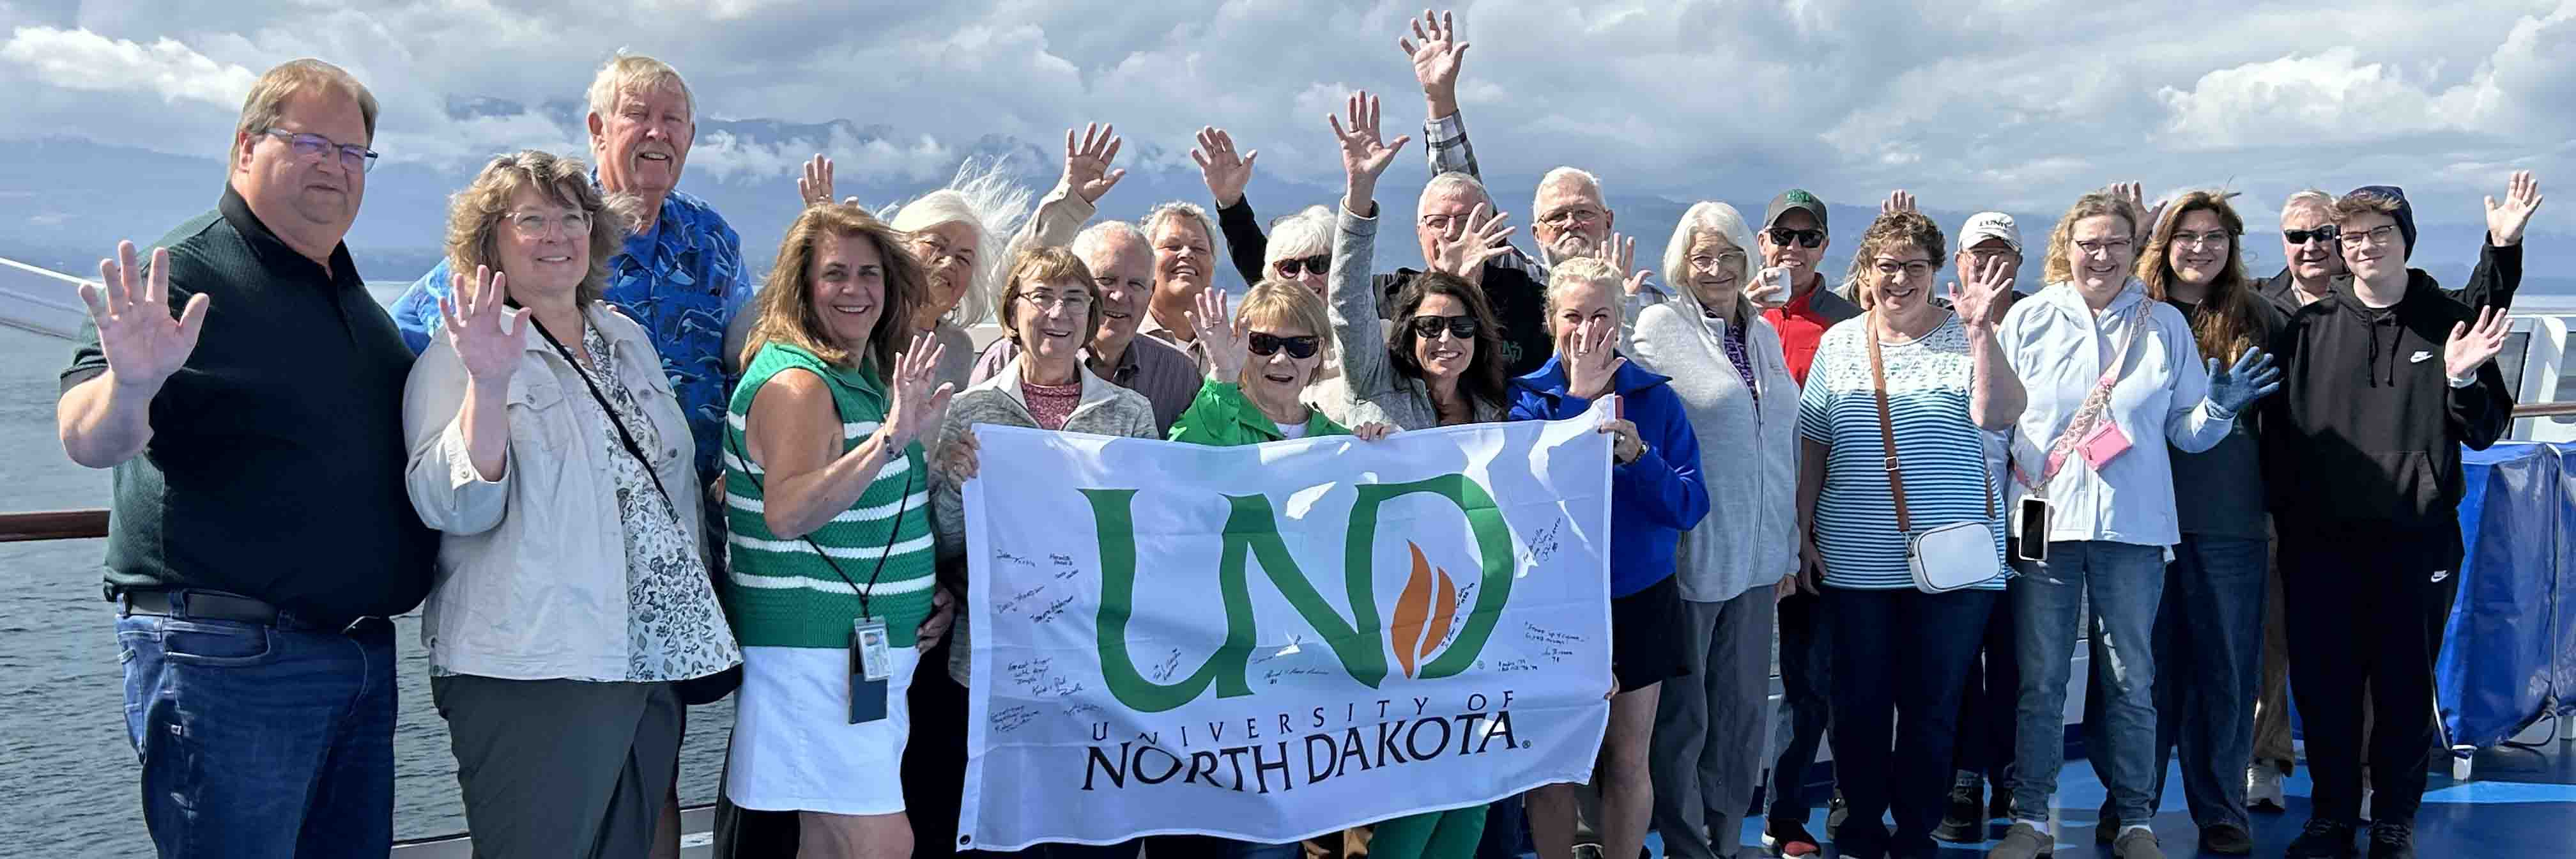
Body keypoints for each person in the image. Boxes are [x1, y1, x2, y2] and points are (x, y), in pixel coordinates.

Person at [59, 58, 437, 856]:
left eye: (352, 153)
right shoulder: (184, 272)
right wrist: (131, 383)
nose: (335, 166)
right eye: (311, 143)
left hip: (356, 659)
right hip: (231, 664)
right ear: (244, 150)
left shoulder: (348, 296)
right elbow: (89, 435)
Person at [401, 150, 740, 858]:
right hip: (534, 666)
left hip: (646, 657)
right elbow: (452, 507)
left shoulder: (627, 340)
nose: (557, 235)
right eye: (531, 219)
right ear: (488, 238)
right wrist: (488, 389)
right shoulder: (461, 353)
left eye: (572, 217)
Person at [1986, 190, 2278, 859]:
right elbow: (1996, 427)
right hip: (2045, 526)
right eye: (2090, 242)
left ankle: (2138, 822)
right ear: (2068, 247)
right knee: (2041, 681)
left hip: (2135, 533)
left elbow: (2187, 433)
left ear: (2134, 250)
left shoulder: (2164, 327)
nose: (2103, 255)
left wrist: (2223, 410)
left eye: (2118, 243)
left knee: (2133, 681)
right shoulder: (2028, 321)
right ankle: (2031, 818)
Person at [2267, 188, 2515, 859]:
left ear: (2405, 238)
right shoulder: (2306, 327)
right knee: (2324, 689)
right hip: (2320, 545)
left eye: (2380, 233)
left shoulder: (2450, 322)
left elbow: (2490, 430)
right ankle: (2330, 818)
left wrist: (2462, 382)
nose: (2365, 247)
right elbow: (2276, 442)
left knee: (2404, 689)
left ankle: (2395, 820)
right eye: (2352, 238)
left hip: (2417, 541)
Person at [392, 52, 753, 486]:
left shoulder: (713, 238)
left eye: (673, 119)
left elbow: (741, 353)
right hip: (574, 510)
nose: (658, 132)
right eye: (638, 115)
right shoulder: (551, 234)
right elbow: (417, 325)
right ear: (598, 130)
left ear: (690, 137)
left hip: (692, 505)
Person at [721, 203, 959, 858]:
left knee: (830, 837)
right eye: (835, 275)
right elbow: (790, 512)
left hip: (848, 652)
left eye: (870, 274)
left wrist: (920, 594)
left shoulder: (853, 378)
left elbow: (871, 511)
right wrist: (890, 439)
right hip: (816, 656)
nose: (855, 290)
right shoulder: (799, 384)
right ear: (802, 287)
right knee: (880, 841)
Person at [1791, 208, 2022, 859]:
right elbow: (1814, 445)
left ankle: (1917, 828)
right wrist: (1801, 535)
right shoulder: (1842, 343)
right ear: (1867, 272)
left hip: (1957, 560)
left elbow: (1999, 412)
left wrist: (1981, 333)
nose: (1900, 279)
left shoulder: (1968, 334)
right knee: (1857, 700)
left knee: (1934, 702)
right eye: (1887, 267)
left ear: (1936, 272)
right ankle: (1863, 825)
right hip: (1856, 558)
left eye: (1914, 268)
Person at [927, 247, 1160, 859]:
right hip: (992, 665)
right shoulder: (969, 412)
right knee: (1000, 834)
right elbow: (946, 544)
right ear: (1012, 312)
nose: (1058, 313)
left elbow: (1156, 537)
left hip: (1098, 668)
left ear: (1091, 316)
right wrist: (953, 485)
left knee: (1095, 834)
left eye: (1075, 299)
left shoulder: (1130, 414)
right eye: (1041, 297)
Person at [2080, 191, 2286, 857]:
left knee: (2226, 671)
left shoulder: (2261, 317)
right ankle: (2128, 803)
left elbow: (2290, 423)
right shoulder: (2129, 313)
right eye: (2186, 235)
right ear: (2162, 245)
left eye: (2215, 235)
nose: (2201, 248)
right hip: (2138, 521)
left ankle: (2222, 808)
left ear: (2233, 246)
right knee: (2130, 671)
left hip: (2228, 521)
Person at [1604, 201, 1798, 859]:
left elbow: (1787, 449)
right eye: (1700, 257)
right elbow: (1612, 394)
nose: (1714, 269)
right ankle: (1688, 846)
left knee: (1744, 715)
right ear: (1681, 264)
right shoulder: (1657, 325)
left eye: (1727, 256)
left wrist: (1791, 550)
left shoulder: (1765, 334)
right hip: (1693, 560)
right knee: (1685, 722)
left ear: (1749, 259)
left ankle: (1727, 837)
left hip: (1762, 561)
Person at [1513, 257, 1710, 859]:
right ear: (1551, 322)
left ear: (1621, 320)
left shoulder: (1656, 400)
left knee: (1628, 758)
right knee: (1552, 764)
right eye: (1573, 315)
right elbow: (1527, 505)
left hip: (1637, 598)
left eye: (1602, 314)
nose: (1587, 329)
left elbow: (1690, 505)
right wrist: (1577, 404)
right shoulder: (1526, 400)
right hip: (1554, 605)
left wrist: (1640, 458)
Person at [1757, 187, 1860, 859]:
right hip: (1744, 527)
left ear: (1826, 246)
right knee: (1725, 687)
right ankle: (1719, 818)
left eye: (1808, 237)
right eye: (1782, 235)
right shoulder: (1734, 315)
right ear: (1763, 240)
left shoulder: (1849, 323)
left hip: (1821, 532)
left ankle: (1802, 814)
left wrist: (1809, 535)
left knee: (1820, 682)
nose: (1793, 248)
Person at [1934, 211, 2028, 845]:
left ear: (2019, 264)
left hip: (2030, 519)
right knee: (1960, 661)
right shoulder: (1937, 323)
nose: (1989, 265)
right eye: (1977, 254)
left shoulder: (2042, 323)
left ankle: (2016, 780)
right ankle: (1964, 781)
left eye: (2002, 254)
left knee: (2023, 656)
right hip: (1955, 523)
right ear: (1958, 262)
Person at [972, 221, 1204, 433]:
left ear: (1151, 292)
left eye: (1135, 284)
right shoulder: (1005, 359)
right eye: (1107, 280)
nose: (1120, 295)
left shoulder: (1178, 374)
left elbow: (1187, 464)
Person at [1137, 199, 1230, 375]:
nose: (1187, 254)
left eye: (1199, 248)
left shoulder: (1231, 348)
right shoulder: (1122, 338)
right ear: (1146, 261)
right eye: (1173, 246)